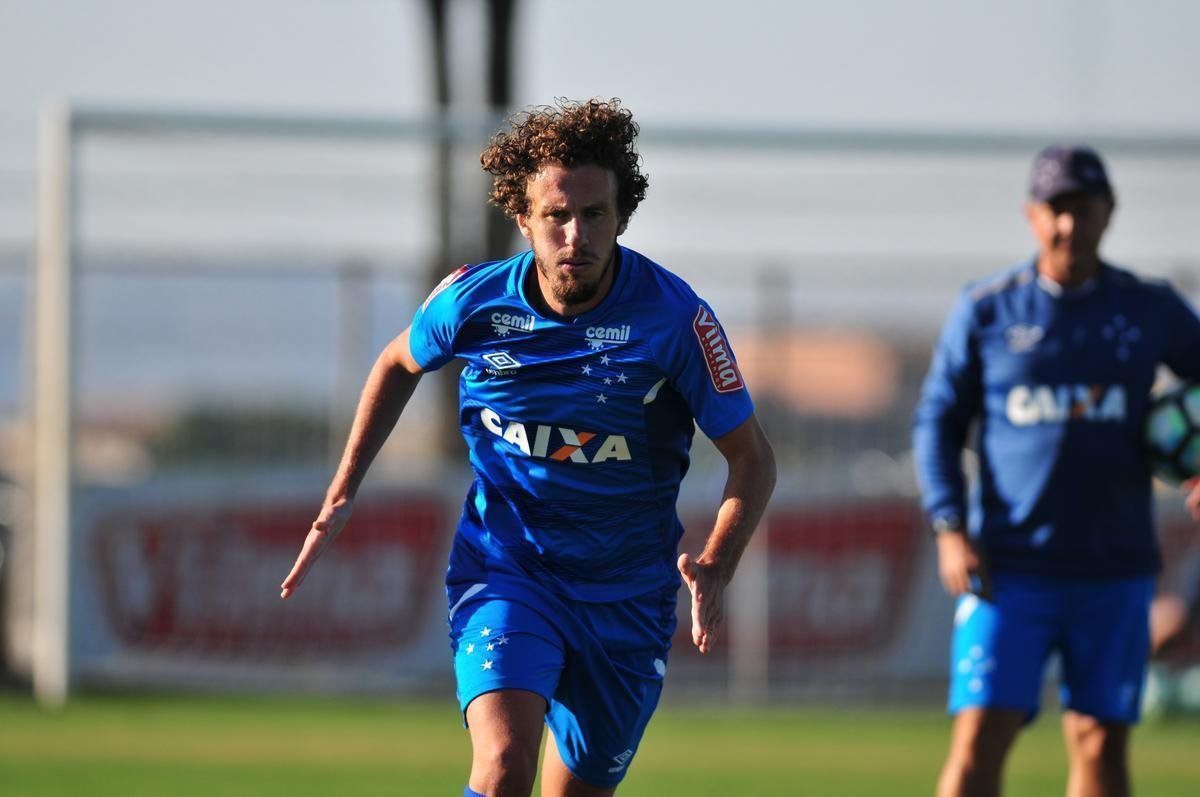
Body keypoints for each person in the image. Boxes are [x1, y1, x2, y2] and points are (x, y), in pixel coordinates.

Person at [280, 98, 776, 797]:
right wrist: (343, 489)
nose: (576, 234)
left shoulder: (675, 319)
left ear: (622, 215)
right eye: (557, 216)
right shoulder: (474, 304)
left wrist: (718, 561)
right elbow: (396, 362)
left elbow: (753, 457)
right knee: (504, 763)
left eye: (595, 214)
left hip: (626, 595)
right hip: (508, 568)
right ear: (524, 219)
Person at [913, 144, 1200, 797]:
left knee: (1100, 742)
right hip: (1007, 569)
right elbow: (936, 422)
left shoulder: (1147, 306)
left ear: (1110, 214)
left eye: (1085, 209)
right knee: (981, 736)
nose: (1069, 224)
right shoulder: (988, 309)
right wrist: (949, 525)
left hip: (1114, 569)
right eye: (1056, 209)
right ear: (1032, 215)